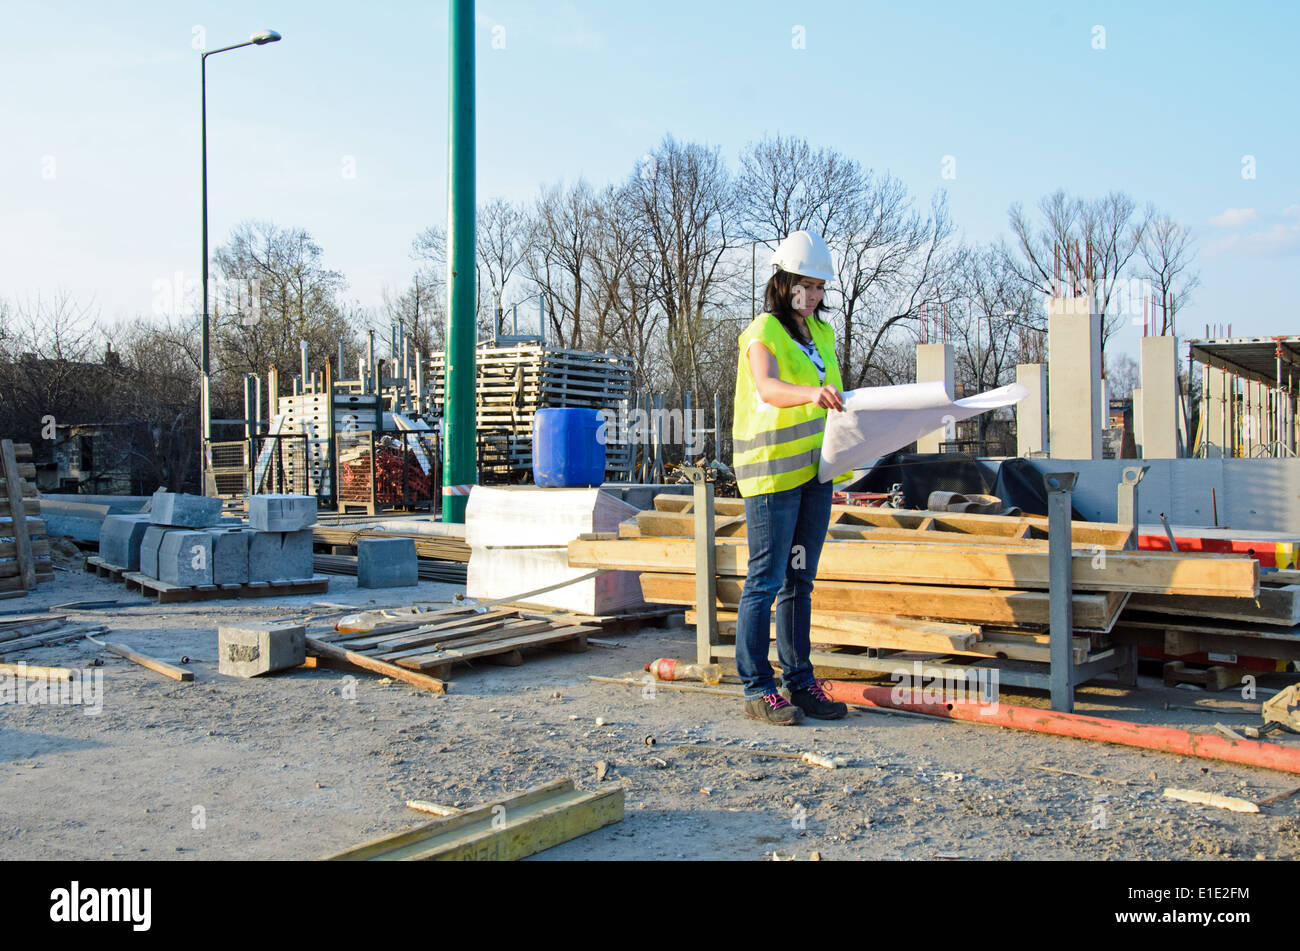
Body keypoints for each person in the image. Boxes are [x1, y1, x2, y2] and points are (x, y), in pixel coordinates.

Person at [731, 231, 852, 725]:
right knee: (765, 581)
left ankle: (799, 682)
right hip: (772, 476)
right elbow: (767, 387)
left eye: (820, 287)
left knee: (800, 580)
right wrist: (810, 394)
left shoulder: (821, 334)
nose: (814, 295)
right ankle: (757, 688)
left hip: (813, 474)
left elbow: (837, 396)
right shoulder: (764, 331)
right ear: (782, 282)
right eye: (806, 285)